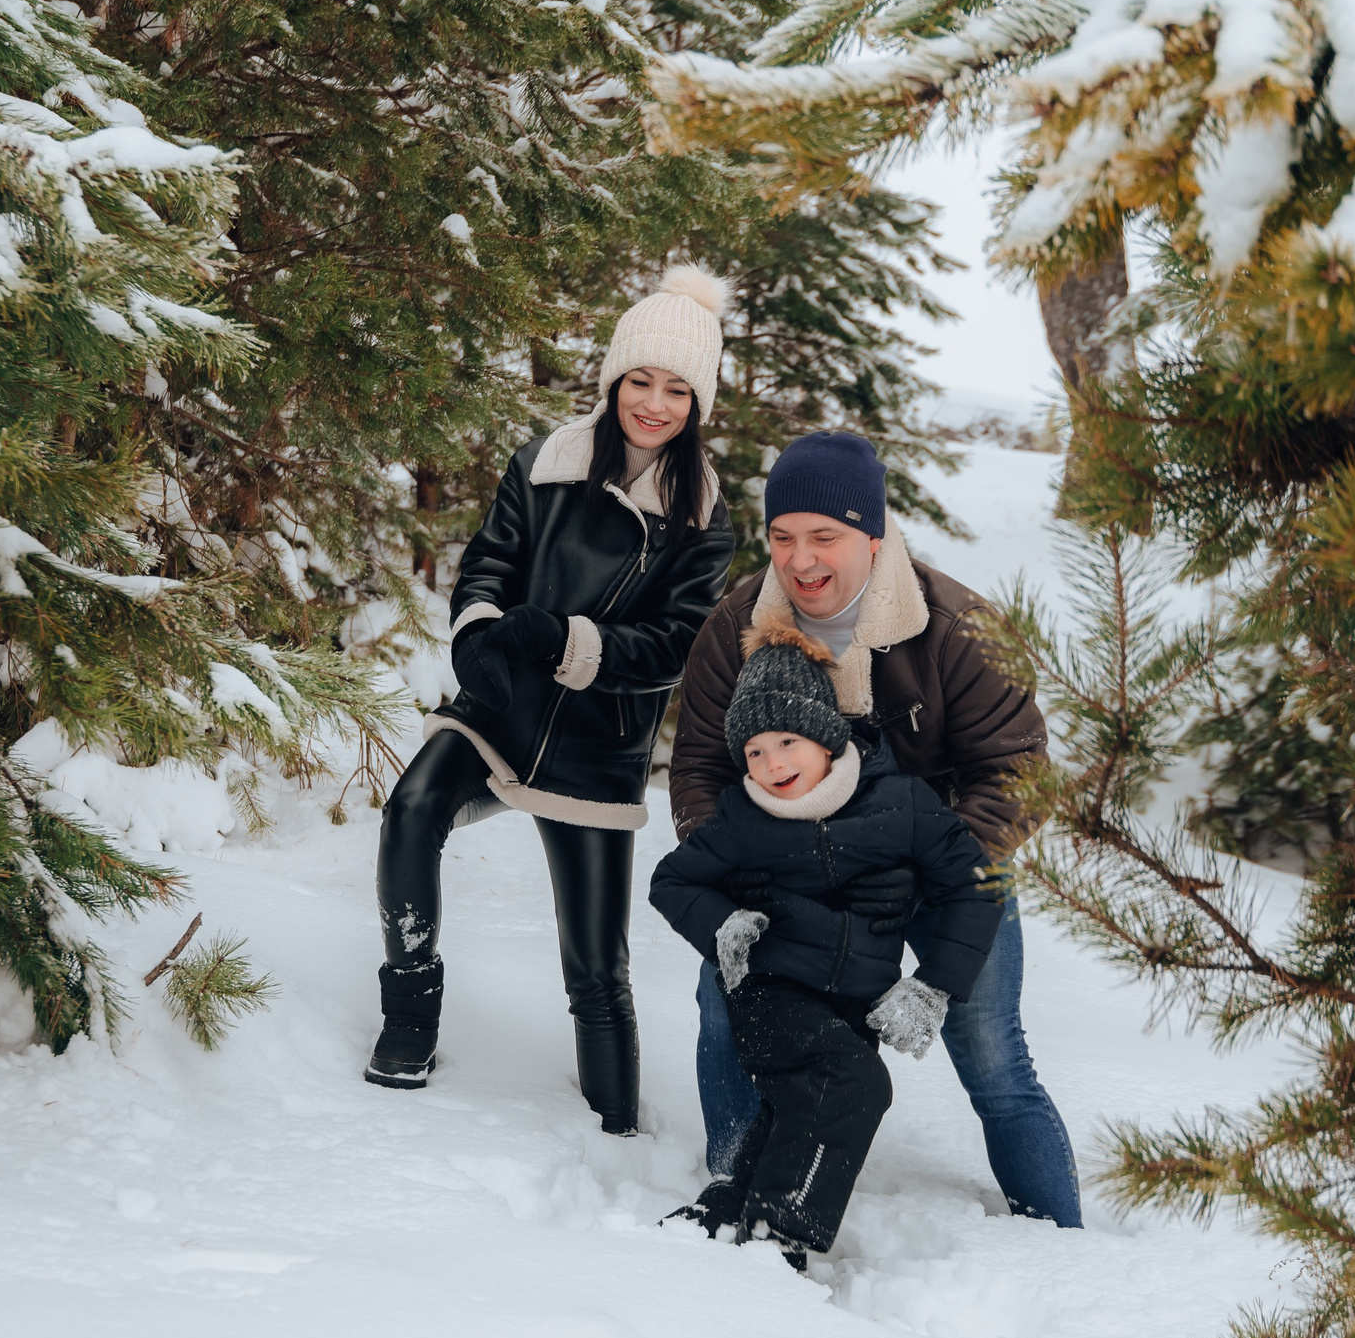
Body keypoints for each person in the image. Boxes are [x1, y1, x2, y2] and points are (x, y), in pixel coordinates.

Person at [668, 431, 1083, 1226]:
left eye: (825, 537)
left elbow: (1018, 769)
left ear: (874, 533)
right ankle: (732, 1185)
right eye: (783, 537)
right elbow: (698, 766)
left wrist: (932, 870)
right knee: (725, 1005)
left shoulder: (955, 626)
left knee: (993, 1050)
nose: (801, 559)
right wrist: (739, 875)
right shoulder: (737, 626)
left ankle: (1060, 1238)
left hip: (945, 866)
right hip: (790, 869)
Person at [366, 267, 738, 1133]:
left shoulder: (704, 514)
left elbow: (677, 645)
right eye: (640, 380)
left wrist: (571, 641)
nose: (653, 403)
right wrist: (481, 634)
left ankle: (614, 1128)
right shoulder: (544, 462)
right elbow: (488, 562)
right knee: (412, 808)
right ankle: (410, 1017)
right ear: (613, 380)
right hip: (502, 709)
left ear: (698, 403)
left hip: (598, 744)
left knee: (597, 964)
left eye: (677, 389)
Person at [649, 618, 1002, 1266]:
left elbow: (976, 884)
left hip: (852, 1004)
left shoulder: (903, 804)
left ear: (825, 734)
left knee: (796, 1109)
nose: (772, 762)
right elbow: (675, 881)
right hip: (770, 991)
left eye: (786, 740)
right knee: (856, 1084)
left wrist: (934, 983)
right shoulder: (744, 817)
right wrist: (724, 922)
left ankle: (726, 1209)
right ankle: (781, 1231)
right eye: (753, 751)